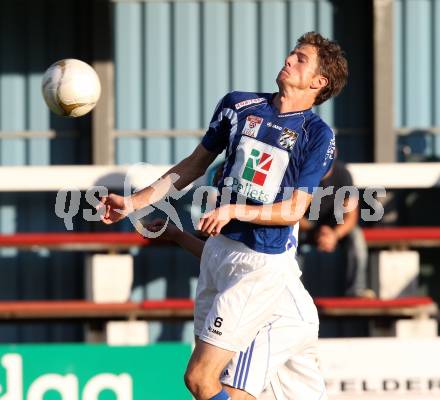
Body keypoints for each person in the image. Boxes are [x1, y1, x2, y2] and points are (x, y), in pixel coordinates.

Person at [98, 31, 348, 400]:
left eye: (301, 58)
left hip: (260, 267)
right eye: (292, 53)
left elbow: (295, 209)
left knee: (203, 380)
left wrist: (233, 209)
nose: (290, 59)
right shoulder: (239, 105)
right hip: (218, 255)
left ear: (318, 82)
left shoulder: (316, 135)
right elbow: (195, 164)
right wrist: (135, 203)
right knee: (217, 385)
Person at [298, 158, 372, 298]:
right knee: (290, 239)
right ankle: (292, 292)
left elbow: (351, 216)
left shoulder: (343, 174)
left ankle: (356, 290)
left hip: (335, 229)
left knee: (356, 237)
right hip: (307, 228)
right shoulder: (303, 172)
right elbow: (292, 212)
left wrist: (334, 235)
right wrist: (314, 231)